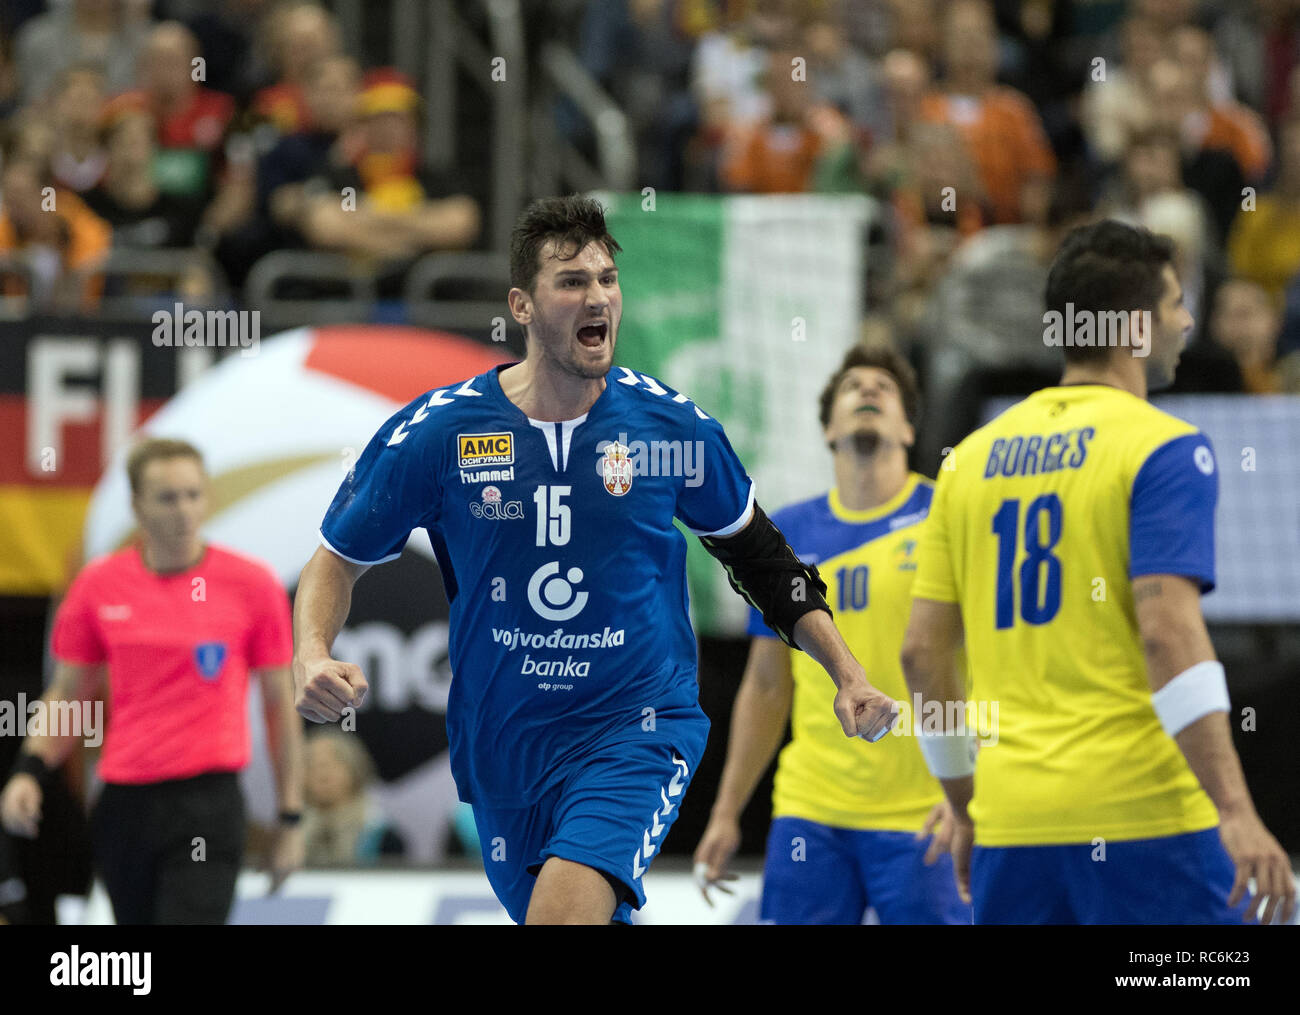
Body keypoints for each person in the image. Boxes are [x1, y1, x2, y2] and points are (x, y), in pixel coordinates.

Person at [292, 194, 899, 925]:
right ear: (522, 303)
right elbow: (338, 554)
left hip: (637, 729)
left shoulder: (669, 427)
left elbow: (765, 562)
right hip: (506, 748)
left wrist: (848, 672)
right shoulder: (441, 433)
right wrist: (311, 652)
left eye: (608, 279)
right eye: (572, 281)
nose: (598, 297)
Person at [900, 219, 1296, 925]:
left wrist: (966, 805)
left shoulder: (968, 461)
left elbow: (920, 654)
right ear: (1135, 329)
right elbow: (1167, 635)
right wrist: (1235, 810)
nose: (1187, 319)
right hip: (1145, 820)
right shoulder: (1162, 448)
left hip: (1014, 826)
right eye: (1174, 302)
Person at [693, 344, 969, 925]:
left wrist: (968, 792)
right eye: (852, 388)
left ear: (908, 427)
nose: (868, 392)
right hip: (811, 812)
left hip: (923, 810)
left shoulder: (946, 515)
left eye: (884, 389)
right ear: (826, 429)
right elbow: (767, 687)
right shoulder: (784, 534)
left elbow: (991, 663)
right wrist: (725, 810)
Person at [0, 438, 305, 924]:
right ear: (137, 504)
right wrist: (30, 769)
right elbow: (68, 694)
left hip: (207, 802)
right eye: (167, 498)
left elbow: (278, 704)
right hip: (125, 802)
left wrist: (291, 817)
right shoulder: (99, 585)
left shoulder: (251, 585)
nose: (184, 511)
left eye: (193, 495)